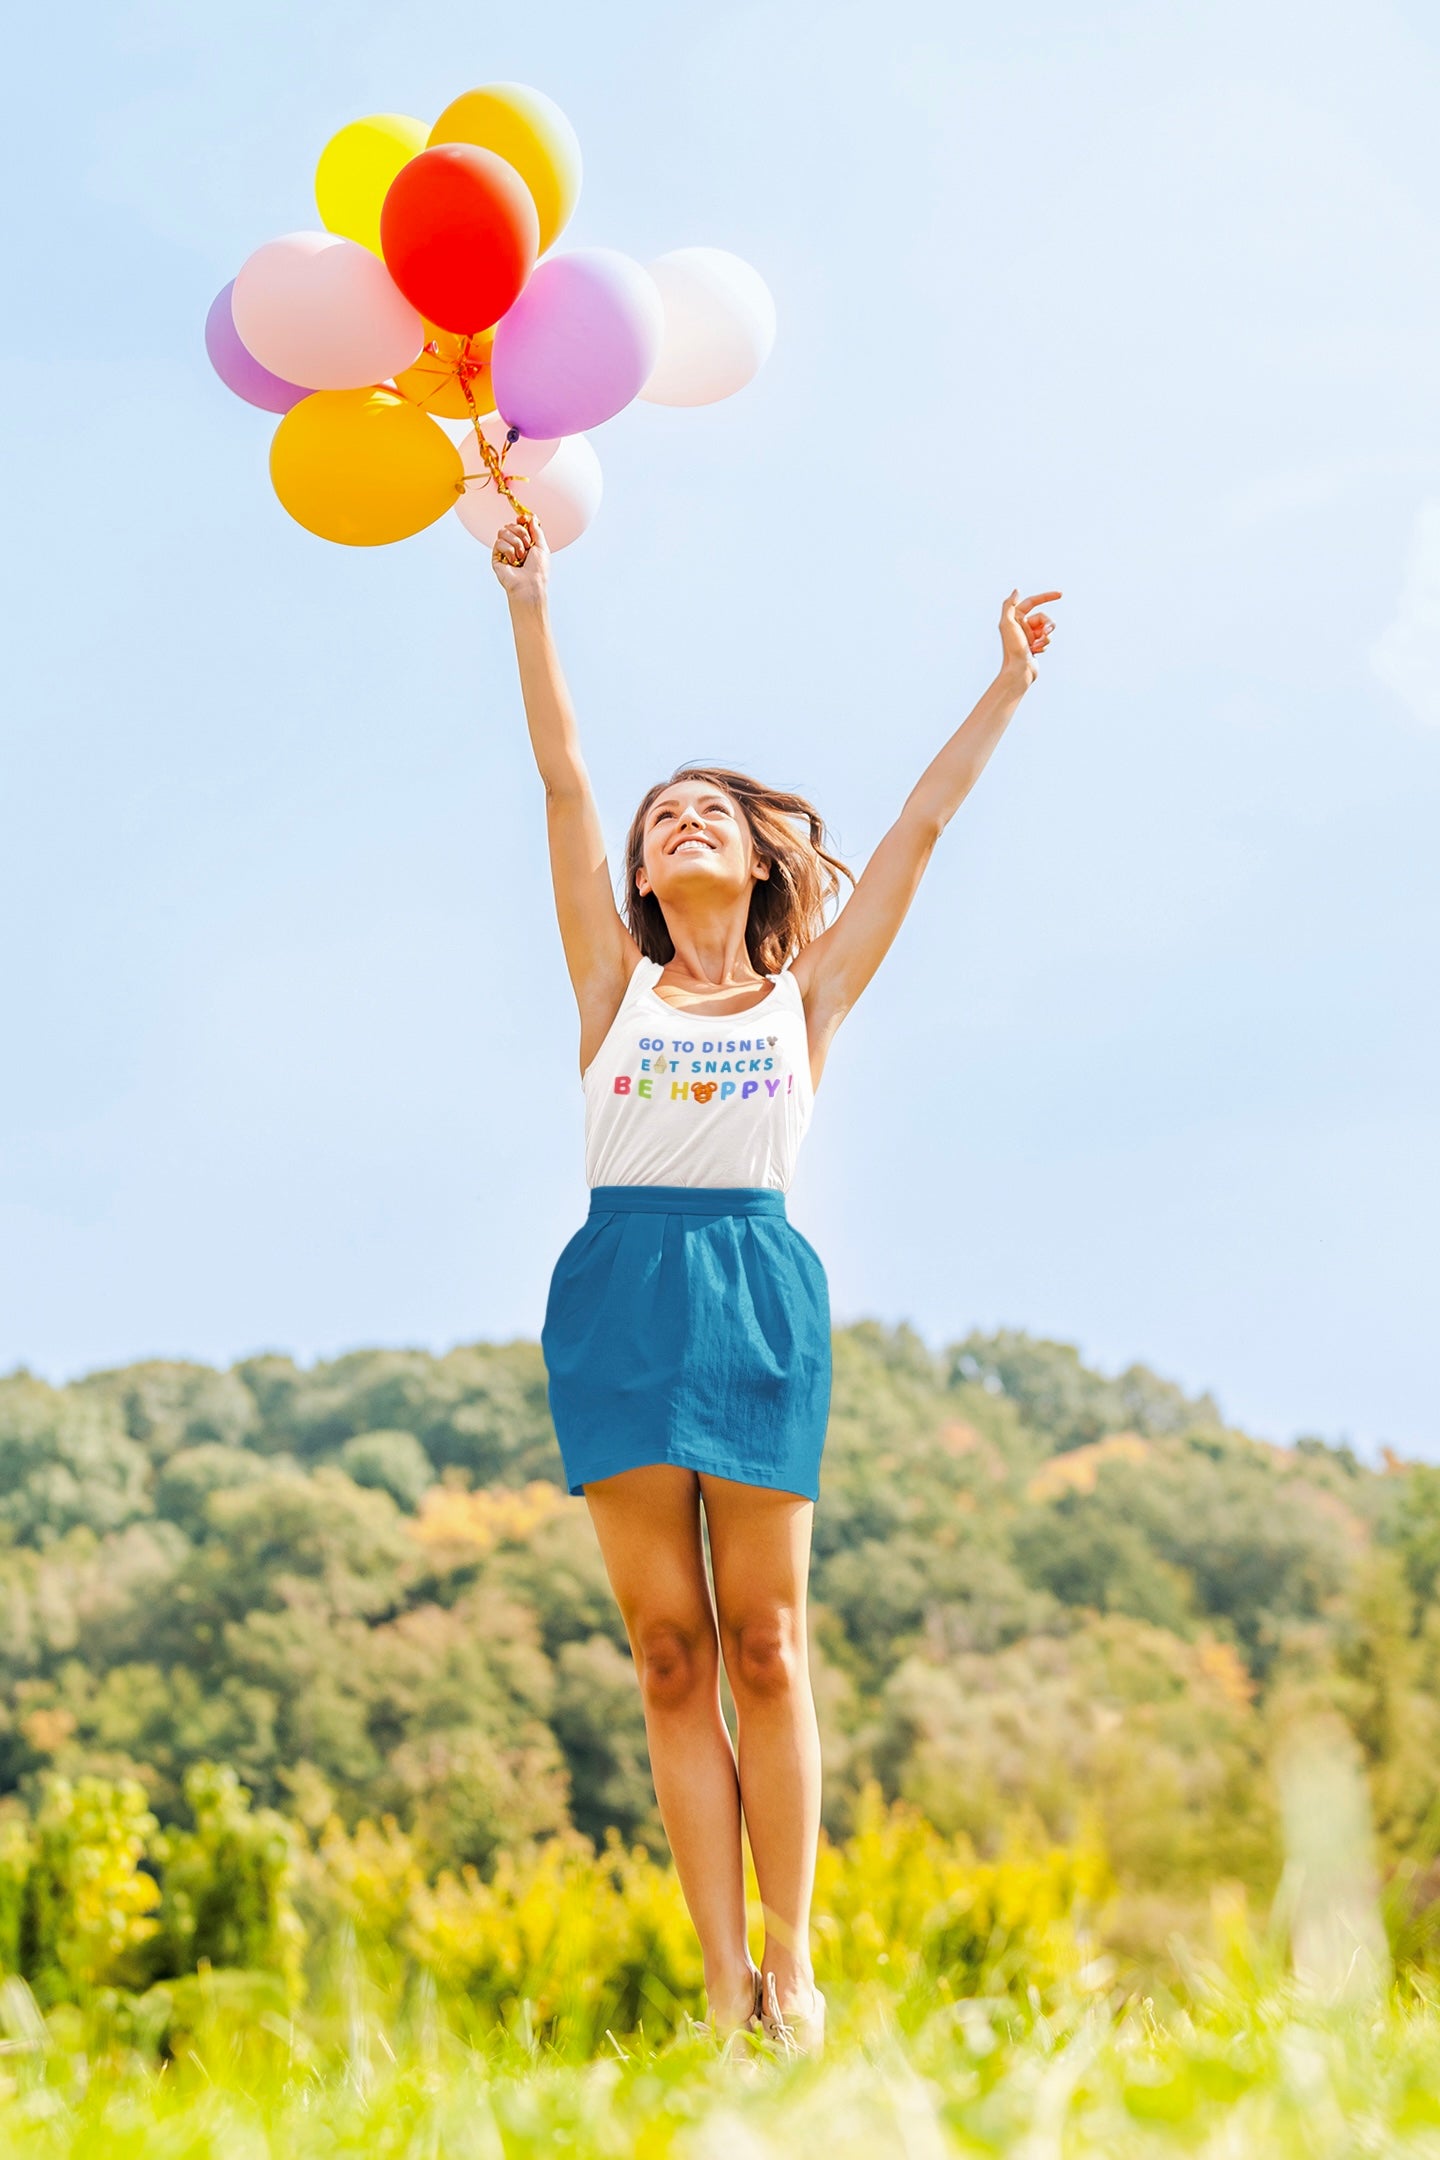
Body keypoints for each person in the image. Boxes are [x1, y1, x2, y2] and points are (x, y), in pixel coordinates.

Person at [492, 509, 1058, 2055]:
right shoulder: (611, 985)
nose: (673, 822)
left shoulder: (808, 995)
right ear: (641, 873)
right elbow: (563, 777)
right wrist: (530, 599)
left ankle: (794, 1972)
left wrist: (1002, 685)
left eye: (704, 812)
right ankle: (717, 1977)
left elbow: (923, 833)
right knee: (669, 1653)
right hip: (618, 1286)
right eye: (659, 817)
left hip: (755, 1286)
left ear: (752, 858)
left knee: (767, 1641)